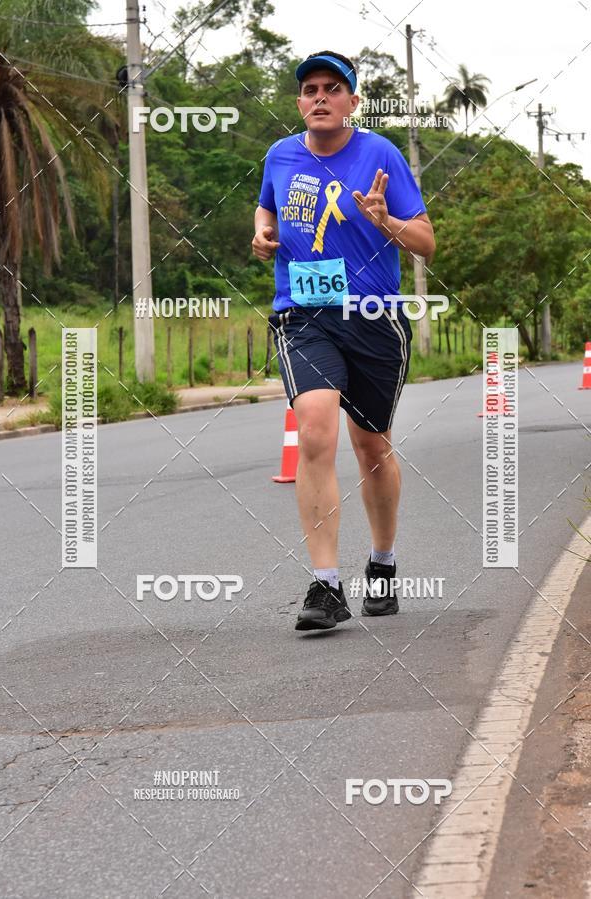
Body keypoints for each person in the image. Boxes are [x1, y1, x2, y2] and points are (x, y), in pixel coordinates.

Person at [252, 51, 435, 631]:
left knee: (371, 445)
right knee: (314, 429)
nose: (320, 97)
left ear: (353, 101)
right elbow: (265, 207)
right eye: (310, 89)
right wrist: (262, 233)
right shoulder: (280, 154)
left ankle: (382, 563)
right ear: (299, 102)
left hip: (373, 317)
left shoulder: (381, 154)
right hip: (304, 315)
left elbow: (426, 242)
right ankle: (326, 584)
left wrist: (386, 221)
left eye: (333, 88)